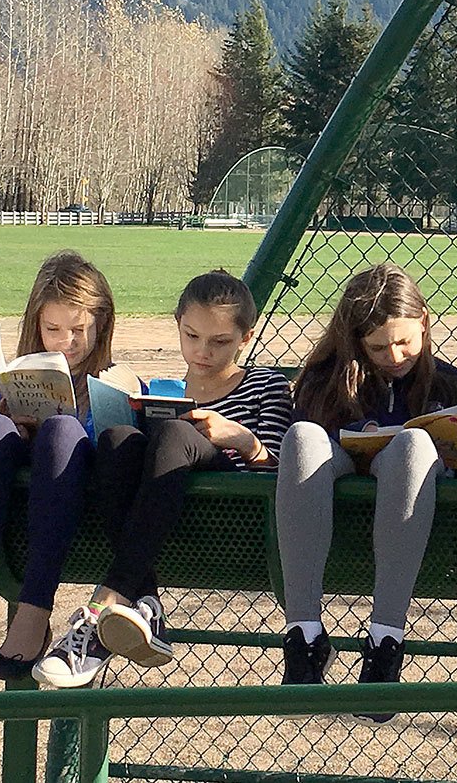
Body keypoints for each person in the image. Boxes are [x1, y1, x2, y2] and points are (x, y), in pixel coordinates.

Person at [33, 269, 290, 688]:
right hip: (166, 520)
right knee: (117, 438)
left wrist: (242, 440)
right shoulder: (161, 389)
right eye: (191, 336)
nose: (202, 351)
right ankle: (146, 603)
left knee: (175, 432)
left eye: (220, 341)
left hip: (235, 517)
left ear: (246, 338)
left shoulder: (267, 385)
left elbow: (284, 474)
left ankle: (104, 606)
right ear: (178, 326)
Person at [275, 263, 457, 724]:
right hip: (342, 468)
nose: (393, 355)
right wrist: (357, 429)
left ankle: (385, 640)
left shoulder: (456, 386)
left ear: (425, 323)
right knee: (303, 437)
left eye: (404, 341)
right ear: (354, 341)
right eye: (377, 347)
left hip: (411, 490)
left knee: (413, 443)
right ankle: (303, 635)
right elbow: (312, 437)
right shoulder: (325, 379)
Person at [0, 251, 138, 681]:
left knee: (60, 433)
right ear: (35, 326)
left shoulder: (117, 379)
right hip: (19, 498)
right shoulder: (24, 372)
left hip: (79, 503)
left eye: (78, 330)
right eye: (52, 329)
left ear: (101, 325)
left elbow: (119, 452)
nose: (65, 341)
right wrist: (14, 419)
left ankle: (34, 611)